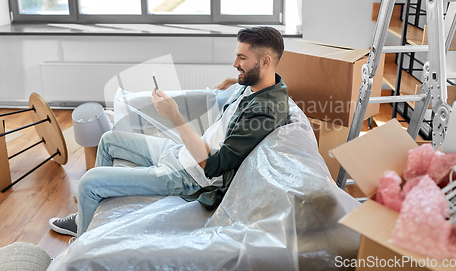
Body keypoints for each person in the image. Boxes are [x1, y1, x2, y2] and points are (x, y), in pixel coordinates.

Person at [49, 26, 290, 237]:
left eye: (242, 58)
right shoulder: (260, 83)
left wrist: (174, 115)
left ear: (265, 61)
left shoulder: (265, 111)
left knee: (88, 182)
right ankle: (87, 220)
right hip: (182, 153)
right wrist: (234, 80)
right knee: (110, 139)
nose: (235, 63)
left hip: (187, 175)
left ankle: (82, 246)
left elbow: (215, 165)